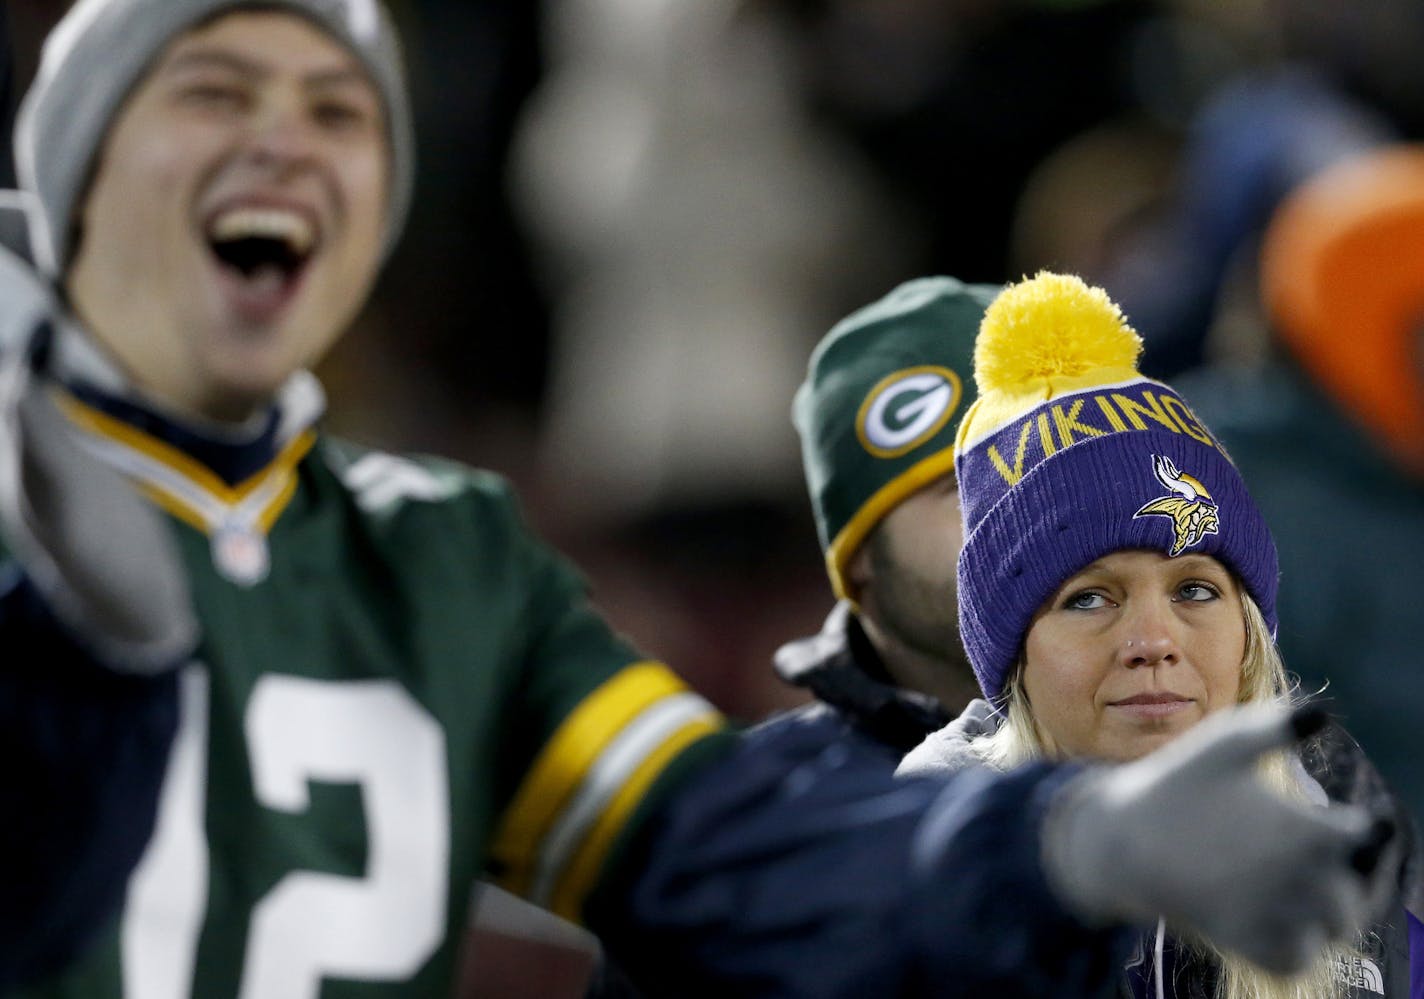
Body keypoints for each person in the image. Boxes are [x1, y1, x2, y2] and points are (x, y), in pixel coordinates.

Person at [0, 1, 1399, 995]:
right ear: (82, 164)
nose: (290, 147)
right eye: (213, 94)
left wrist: (1079, 842)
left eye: (337, 110)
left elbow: (710, 845)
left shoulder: (447, 560)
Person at [898, 270, 1421, 997]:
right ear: (1012, 652)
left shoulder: (1340, 829)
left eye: (1196, 590)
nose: (1153, 639)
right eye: (1088, 599)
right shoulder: (919, 897)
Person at [771, 276, 992, 756]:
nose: (1028, 511)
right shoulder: (782, 805)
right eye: (963, 485)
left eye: (1046, 471)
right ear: (859, 555)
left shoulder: (1186, 733)